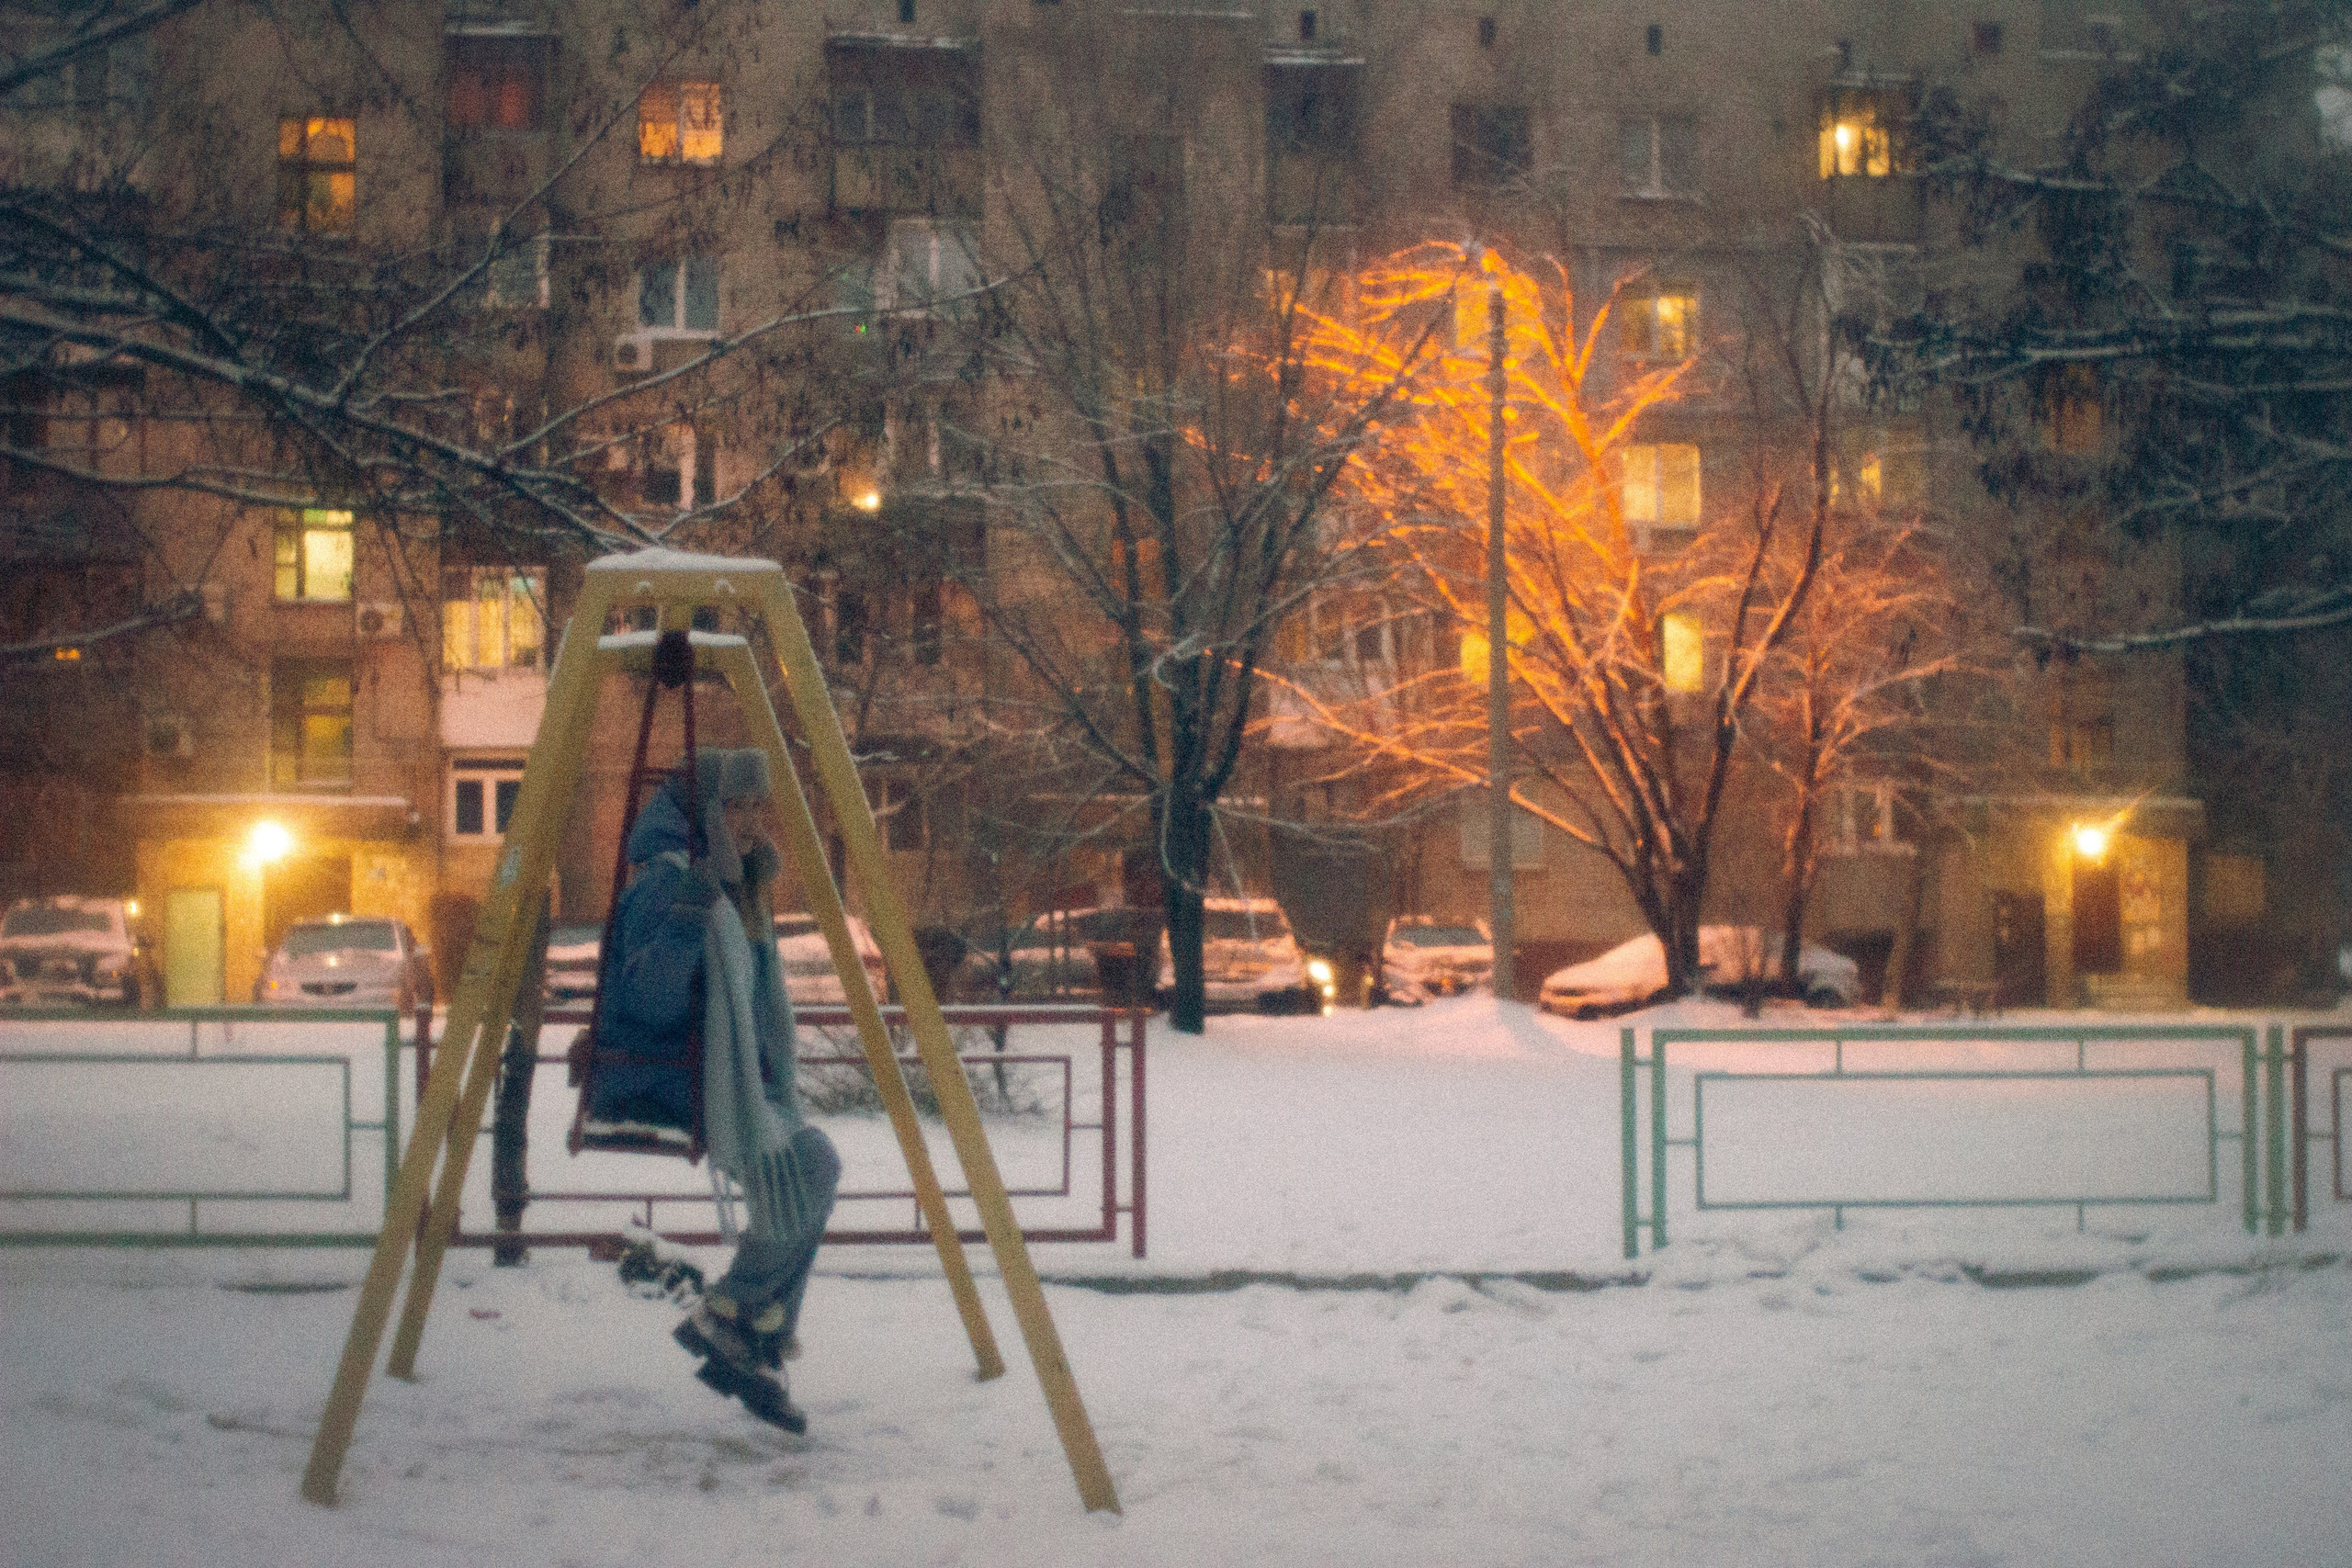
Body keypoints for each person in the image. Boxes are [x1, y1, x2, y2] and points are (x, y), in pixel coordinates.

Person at [590, 747, 840, 1433]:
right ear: (706, 811)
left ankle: (750, 1336)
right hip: (665, 1079)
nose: (753, 821)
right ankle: (733, 1317)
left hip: (733, 1085)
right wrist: (687, 916)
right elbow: (644, 998)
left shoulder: (739, 888)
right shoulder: (666, 883)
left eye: (759, 806)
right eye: (736, 806)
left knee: (815, 1168)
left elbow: (754, 1003)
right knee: (811, 1170)